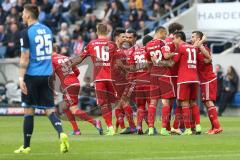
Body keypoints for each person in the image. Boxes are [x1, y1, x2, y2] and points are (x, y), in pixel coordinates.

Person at [14, 4, 69, 154]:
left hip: (32, 75)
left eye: (24, 13)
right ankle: (61, 133)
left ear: (28, 15)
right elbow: (50, 52)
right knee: (50, 110)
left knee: (28, 110)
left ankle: (26, 146)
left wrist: (20, 78)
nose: (22, 16)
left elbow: (25, 57)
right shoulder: (47, 30)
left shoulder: (26, 33)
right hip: (47, 75)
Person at [68, 23, 118, 136]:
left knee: (104, 104)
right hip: (111, 77)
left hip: (99, 78)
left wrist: (70, 65)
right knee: (114, 102)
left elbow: (80, 58)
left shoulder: (92, 44)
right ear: (107, 31)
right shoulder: (112, 45)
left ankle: (110, 127)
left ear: (97, 32)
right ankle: (123, 125)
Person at [51, 45, 103, 136]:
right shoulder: (66, 58)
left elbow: (51, 75)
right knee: (66, 107)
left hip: (68, 85)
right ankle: (76, 130)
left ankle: (95, 122)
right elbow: (77, 72)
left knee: (73, 109)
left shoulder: (51, 60)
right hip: (75, 83)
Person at [171, 31, 202, 135]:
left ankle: (188, 129)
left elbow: (174, 61)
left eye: (174, 39)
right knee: (193, 102)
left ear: (179, 38)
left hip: (184, 79)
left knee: (184, 103)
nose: (173, 41)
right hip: (194, 78)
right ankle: (197, 126)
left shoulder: (180, 47)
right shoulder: (193, 47)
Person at [145, 26, 175, 136]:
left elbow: (148, 62)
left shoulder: (147, 45)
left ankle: (151, 128)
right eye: (165, 33)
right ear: (161, 32)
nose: (166, 35)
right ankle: (163, 129)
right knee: (165, 102)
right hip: (163, 74)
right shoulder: (162, 43)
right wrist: (174, 53)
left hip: (153, 74)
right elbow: (166, 56)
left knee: (153, 102)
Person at [191, 31, 222, 134]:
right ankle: (213, 127)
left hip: (208, 79)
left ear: (199, 39)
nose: (191, 39)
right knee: (206, 102)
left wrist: (201, 43)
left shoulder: (204, 48)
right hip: (204, 80)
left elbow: (208, 57)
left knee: (209, 102)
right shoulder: (194, 49)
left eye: (193, 37)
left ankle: (217, 126)